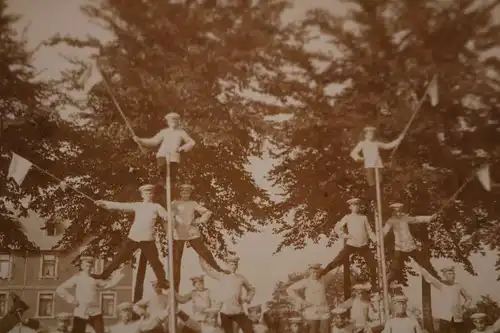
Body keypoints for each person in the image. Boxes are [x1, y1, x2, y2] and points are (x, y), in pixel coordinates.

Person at [94, 184, 169, 288]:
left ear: (153, 195)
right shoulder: (137, 205)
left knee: (155, 261)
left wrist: (168, 217)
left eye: (150, 193)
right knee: (120, 257)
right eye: (146, 193)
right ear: (142, 195)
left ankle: (162, 281)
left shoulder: (156, 206)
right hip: (134, 237)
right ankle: (104, 275)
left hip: (148, 239)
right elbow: (121, 206)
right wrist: (104, 203)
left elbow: (166, 215)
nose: (148, 195)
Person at [171, 184, 225, 291]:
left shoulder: (193, 203)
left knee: (204, 252)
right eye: (183, 193)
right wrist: (173, 225)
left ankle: (218, 270)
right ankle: (175, 288)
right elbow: (170, 216)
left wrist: (198, 221)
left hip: (192, 233)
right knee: (176, 261)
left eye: (188, 193)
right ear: (180, 193)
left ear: (190, 194)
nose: (185, 195)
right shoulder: (174, 203)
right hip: (179, 234)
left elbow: (207, 212)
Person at [56, 256, 124, 333]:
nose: (88, 268)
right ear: (82, 266)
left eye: (90, 266)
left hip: (95, 311)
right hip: (81, 311)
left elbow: (108, 285)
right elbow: (60, 289)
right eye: (86, 266)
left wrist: (118, 275)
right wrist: (72, 300)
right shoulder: (77, 278)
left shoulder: (93, 279)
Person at [319, 198, 377, 288]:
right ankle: (323, 272)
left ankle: (374, 285)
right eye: (354, 205)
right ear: (350, 207)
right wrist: (345, 235)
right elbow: (337, 228)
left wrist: (376, 240)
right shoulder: (348, 217)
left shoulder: (364, 218)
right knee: (338, 259)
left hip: (364, 245)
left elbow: (369, 231)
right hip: (352, 244)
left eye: (357, 205)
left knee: (373, 264)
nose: (356, 207)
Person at [133, 111, 195, 193]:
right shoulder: (164, 132)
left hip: (174, 156)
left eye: (175, 120)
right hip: (163, 154)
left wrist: (182, 148)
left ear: (178, 121)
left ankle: (170, 186)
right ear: (168, 122)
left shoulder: (181, 132)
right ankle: (163, 183)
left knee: (172, 174)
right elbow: (154, 141)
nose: (173, 122)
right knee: (162, 169)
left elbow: (192, 142)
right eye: (171, 120)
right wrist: (140, 140)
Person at [382, 202, 440, 284]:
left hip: (411, 246)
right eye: (396, 211)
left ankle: (437, 278)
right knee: (395, 267)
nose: (398, 212)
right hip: (399, 248)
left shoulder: (405, 218)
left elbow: (417, 219)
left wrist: (430, 218)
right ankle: (386, 283)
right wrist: (378, 238)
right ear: (393, 211)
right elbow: (384, 231)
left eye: (399, 210)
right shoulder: (391, 221)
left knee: (423, 262)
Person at [411, 263, 471, 333]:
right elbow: (429, 278)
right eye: (450, 274)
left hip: (457, 317)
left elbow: (469, 298)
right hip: (445, 318)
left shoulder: (458, 286)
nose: (453, 276)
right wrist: (421, 268)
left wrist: (464, 307)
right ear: (445, 275)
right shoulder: (441, 285)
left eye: (453, 274)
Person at [202, 256, 256, 333]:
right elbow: (208, 270)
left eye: (235, 264)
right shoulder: (222, 276)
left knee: (249, 330)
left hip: (238, 311)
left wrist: (248, 298)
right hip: (225, 312)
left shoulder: (241, 278)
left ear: (237, 266)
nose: (233, 266)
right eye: (231, 264)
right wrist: (201, 258)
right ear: (227, 265)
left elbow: (252, 289)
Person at [287, 264, 341, 333]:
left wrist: (339, 263)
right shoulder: (305, 281)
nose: (316, 274)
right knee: (312, 331)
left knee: (325, 330)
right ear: (310, 272)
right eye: (314, 272)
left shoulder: (324, 279)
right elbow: (289, 289)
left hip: (323, 311)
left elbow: (334, 271)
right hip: (311, 311)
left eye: (318, 272)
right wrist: (302, 301)